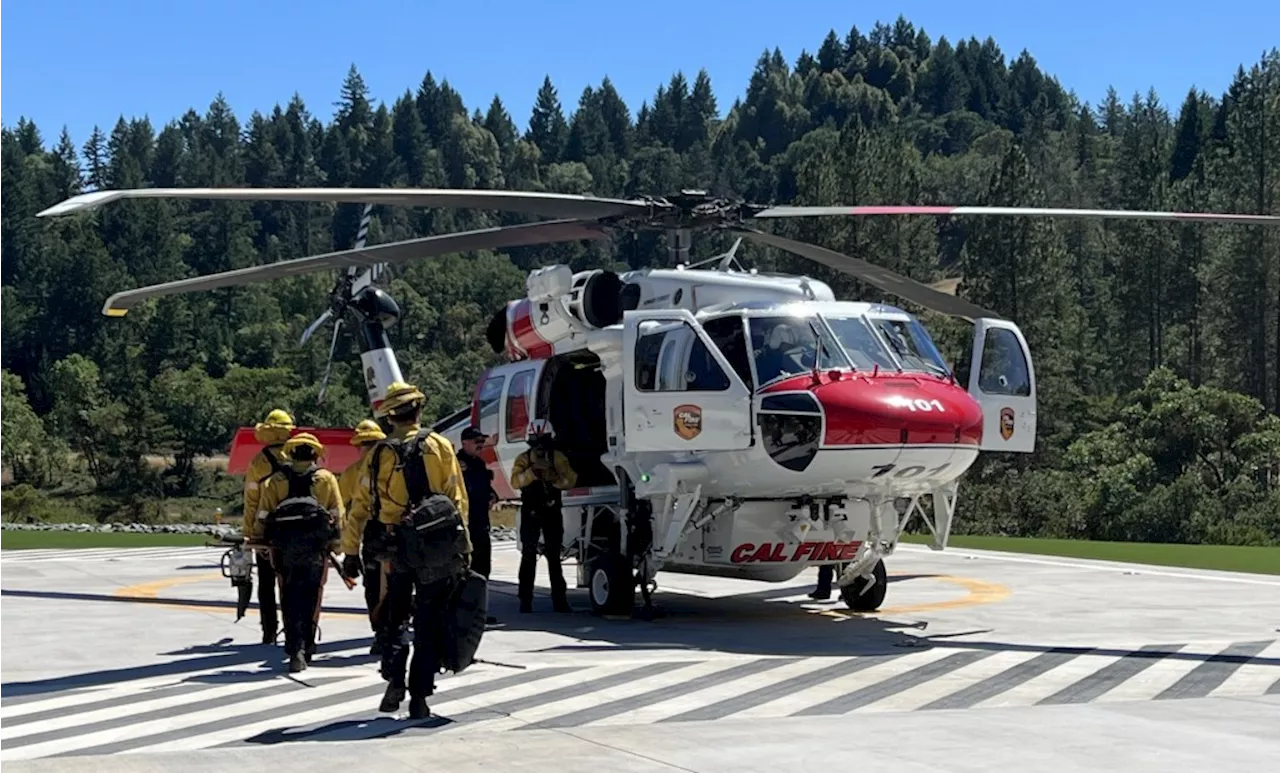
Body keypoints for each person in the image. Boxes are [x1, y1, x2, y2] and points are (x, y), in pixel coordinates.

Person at [355, 381, 470, 719]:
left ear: (390, 416)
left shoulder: (377, 454)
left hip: (395, 548)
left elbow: (362, 505)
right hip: (436, 547)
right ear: (419, 410)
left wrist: (349, 551)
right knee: (429, 621)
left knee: (394, 618)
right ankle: (420, 697)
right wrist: (465, 549)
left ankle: (394, 681)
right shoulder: (441, 446)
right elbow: (457, 499)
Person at [256, 432, 344, 673]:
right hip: (316, 550)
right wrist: (336, 545)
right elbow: (337, 513)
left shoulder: (275, 480)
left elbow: (263, 514)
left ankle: (294, 648)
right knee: (312, 596)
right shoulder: (326, 479)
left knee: (288, 594)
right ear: (316, 454)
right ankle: (308, 644)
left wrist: (263, 543)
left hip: (284, 550)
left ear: (291, 453)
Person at [510, 419, 576, 614]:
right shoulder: (523, 459)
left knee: (554, 556)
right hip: (530, 511)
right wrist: (532, 472)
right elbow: (515, 481)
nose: (539, 446)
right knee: (528, 555)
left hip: (551, 509)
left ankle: (560, 600)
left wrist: (553, 476)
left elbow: (570, 480)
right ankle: (525, 600)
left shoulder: (558, 458)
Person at [242, 408, 295, 645]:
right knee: (293, 582)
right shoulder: (298, 454)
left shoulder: (258, 462)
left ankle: (269, 630)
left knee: (266, 582)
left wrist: (250, 533)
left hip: (267, 530)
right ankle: (295, 626)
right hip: (297, 530)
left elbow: (251, 501)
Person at [338, 419, 389, 655]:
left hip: (373, 534)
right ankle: (393, 630)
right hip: (395, 531)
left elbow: (347, 512)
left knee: (373, 586)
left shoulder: (351, 474)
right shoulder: (394, 467)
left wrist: (349, 551)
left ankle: (382, 632)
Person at [457, 426, 498, 625]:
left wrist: (492, 495)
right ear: (465, 443)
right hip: (464, 525)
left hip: (481, 523)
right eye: (477, 442)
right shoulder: (455, 464)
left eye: (482, 442)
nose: (481, 446)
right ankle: (461, 612)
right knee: (464, 570)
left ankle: (479, 611)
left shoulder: (480, 465)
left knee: (482, 569)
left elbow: (485, 488)